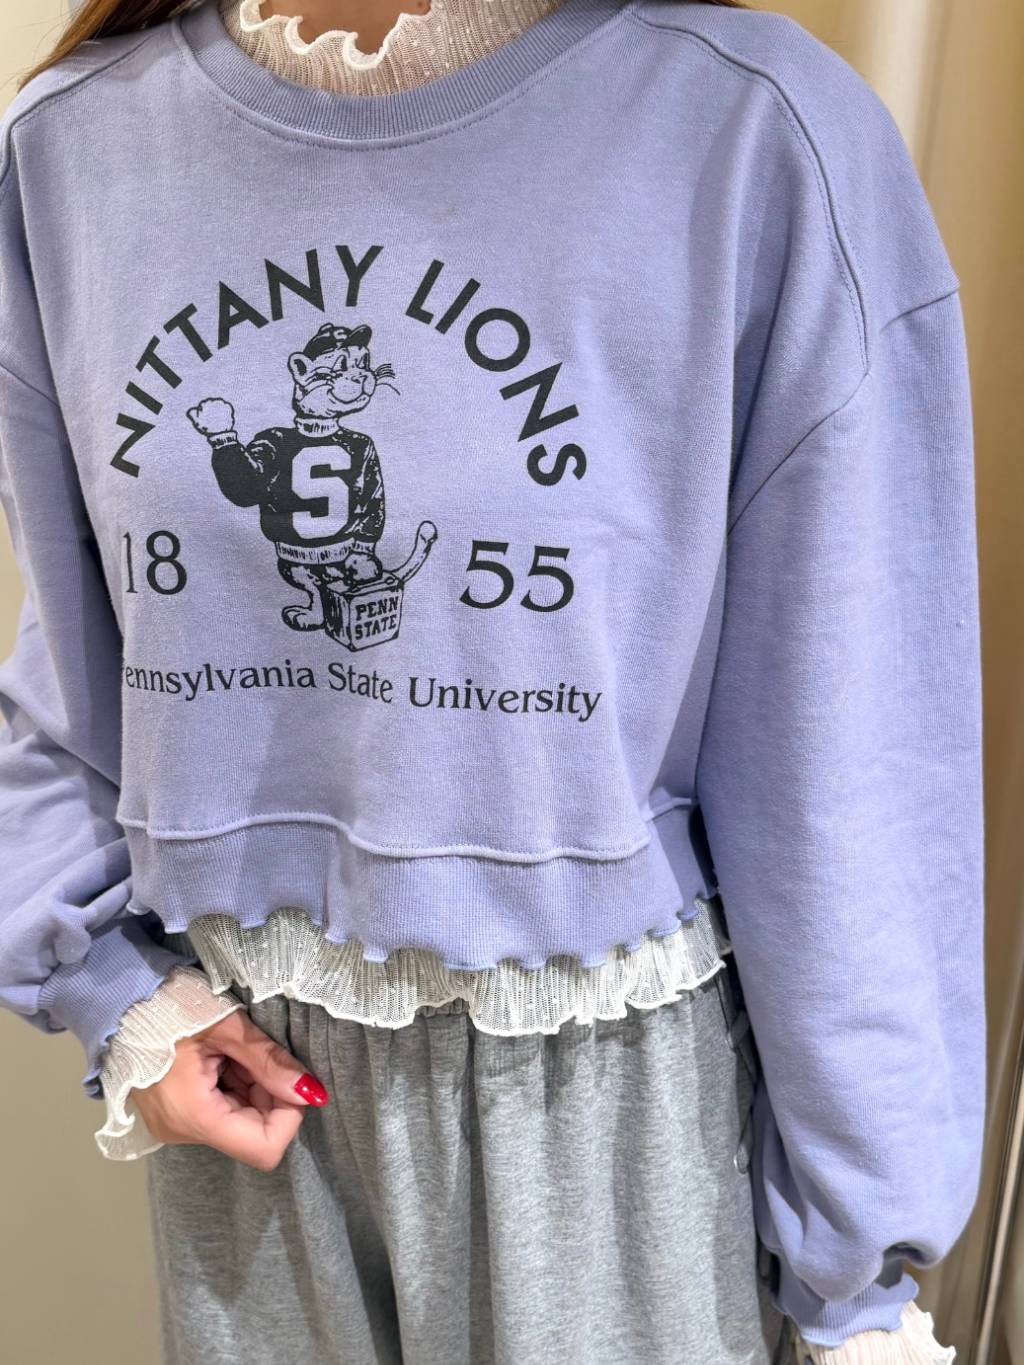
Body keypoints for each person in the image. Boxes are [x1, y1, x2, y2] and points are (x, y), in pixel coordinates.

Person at [0, 0, 982, 1361]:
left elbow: (849, 750)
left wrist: (857, 1280)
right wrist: (119, 996)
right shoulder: (73, 154)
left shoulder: (752, 135)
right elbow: (67, 673)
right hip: (250, 1116)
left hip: (602, 1117)